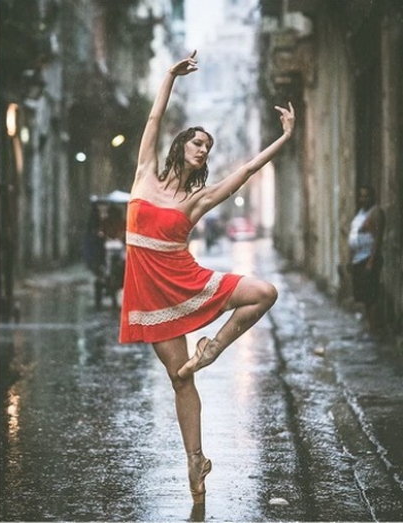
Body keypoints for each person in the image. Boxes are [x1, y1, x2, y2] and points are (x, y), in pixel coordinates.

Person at [119, 50, 294, 504]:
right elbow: (155, 117)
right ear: (181, 145)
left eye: (208, 149)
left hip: (185, 280)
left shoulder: (196, 201)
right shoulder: (143, 174)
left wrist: (285, 138)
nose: (203, 150)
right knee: (180, 378)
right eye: (198, 143)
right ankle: (195, 462)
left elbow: (246, 172)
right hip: (151, 296)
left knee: (265, 292)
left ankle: (212, 349)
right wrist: (169, 77)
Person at [348, 185, 385, 333]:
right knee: (364, 297)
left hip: (368, 259)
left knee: (371, 296)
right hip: (358, 259)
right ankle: (370, 327)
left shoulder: (375, 212)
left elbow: (377, 238)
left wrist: (371, 261)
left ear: (372, 197)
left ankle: (374, 328)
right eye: (361, 196)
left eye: (366, 196)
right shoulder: (361, 212)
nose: (363, 199)